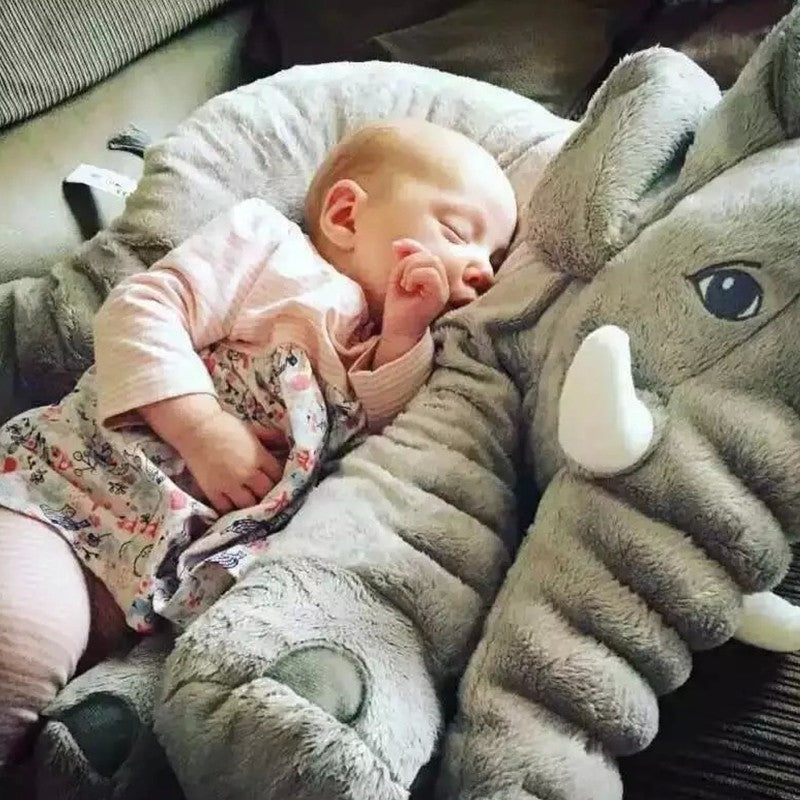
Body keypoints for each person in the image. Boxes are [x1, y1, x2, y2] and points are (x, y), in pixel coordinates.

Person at [0, 118, 517, 764]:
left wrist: (407, 331)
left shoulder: (393, 351)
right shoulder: (269, 250)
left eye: (494, 259)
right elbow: (141, 311)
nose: (480, 271)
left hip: (162, 592)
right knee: (23, 640)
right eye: (457, 234)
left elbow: (384, 426)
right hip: (66, 500)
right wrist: (202, 427)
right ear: (347, 215)